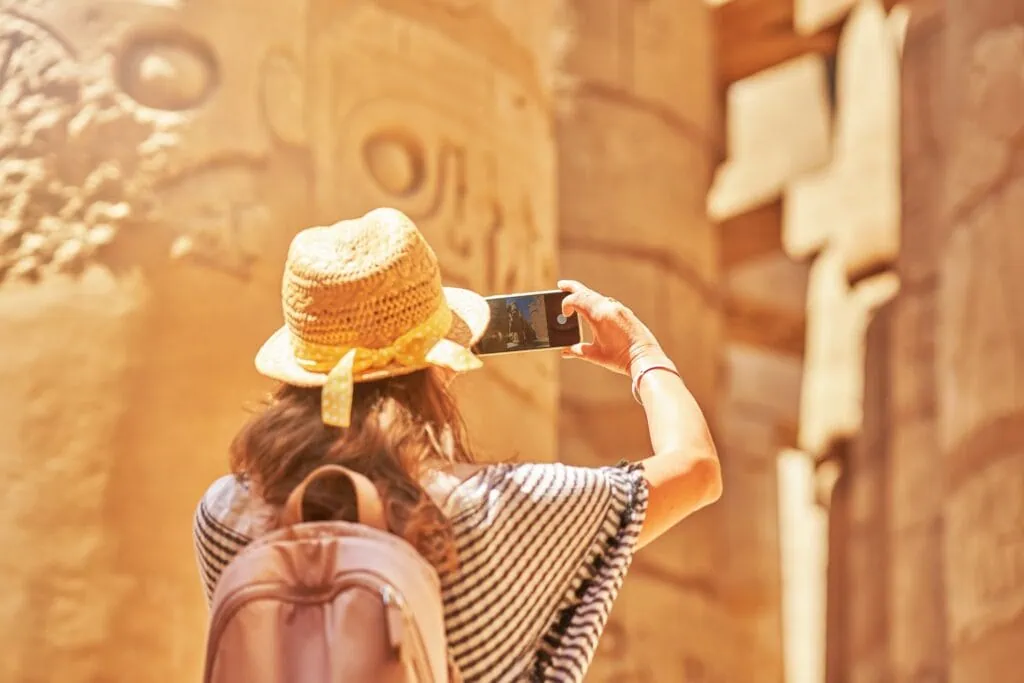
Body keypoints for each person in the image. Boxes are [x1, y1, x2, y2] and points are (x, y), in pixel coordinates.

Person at [192, 207, 722, 683]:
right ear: (438, 369)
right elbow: (697, 469)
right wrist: (641, 356)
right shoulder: (498, 508)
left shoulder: (224, 515)